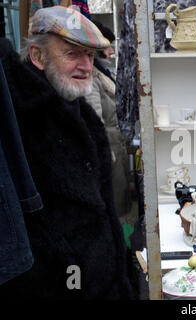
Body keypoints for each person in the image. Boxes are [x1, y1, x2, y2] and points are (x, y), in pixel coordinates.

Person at [0, 6, 136, 299]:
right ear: (38, 56)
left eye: (89, 55)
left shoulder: (79, 113)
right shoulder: (20, 118)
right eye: (72, 54)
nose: (87, 66)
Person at [85, 20, 132, 219]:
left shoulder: (103, 73)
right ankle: (123, 247)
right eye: (108, 47)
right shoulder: (91, 79)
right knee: (115, 207)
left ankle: (126, 244)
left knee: (121, 203)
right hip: (109, 152)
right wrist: (106, 157)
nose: (112, 52)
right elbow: (95, 120)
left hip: (115, 147)